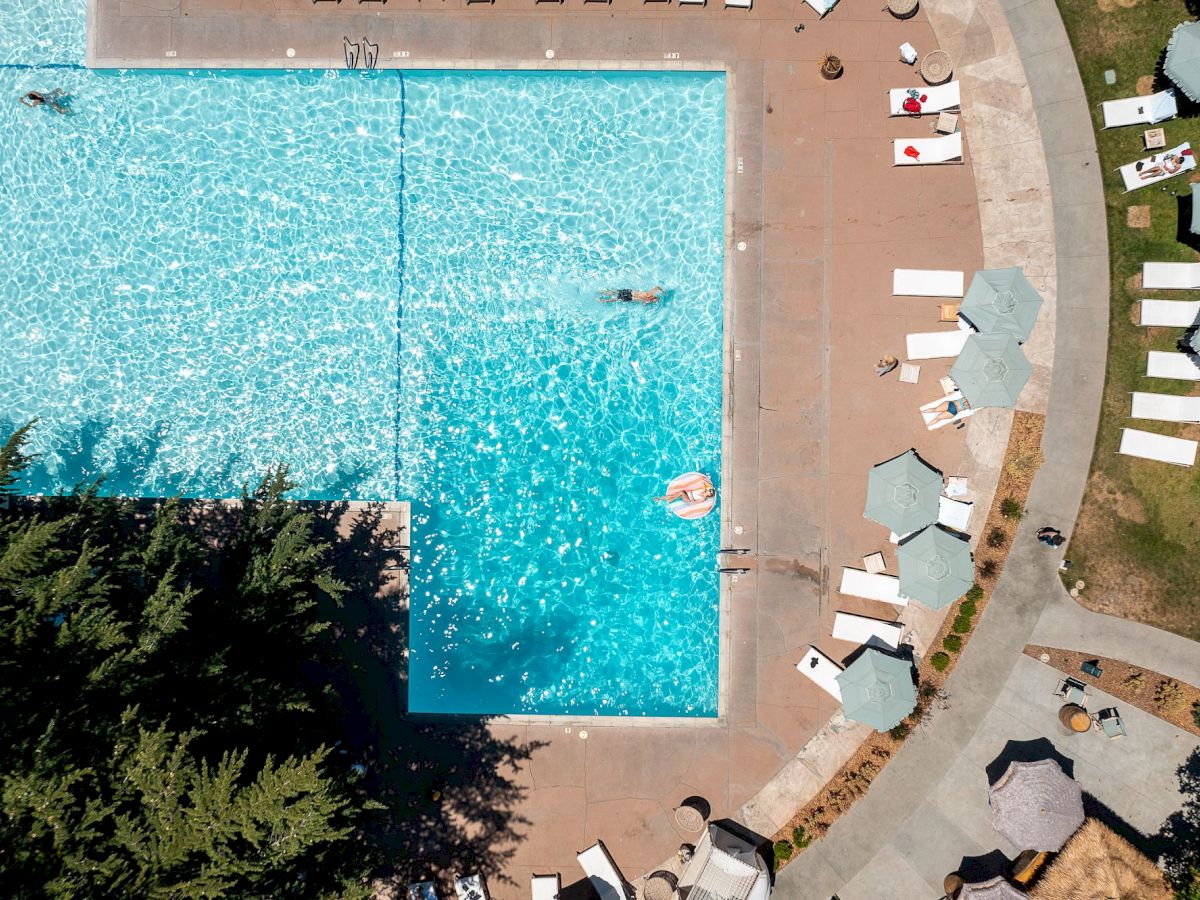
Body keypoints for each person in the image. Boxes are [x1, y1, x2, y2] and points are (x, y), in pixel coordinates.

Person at [598, 286, 663, 304]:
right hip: (630, 293)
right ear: (654, 297)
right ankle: (602, 292)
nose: (655, 302)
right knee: (615, 293)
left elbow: (642, 302)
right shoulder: (649, 294)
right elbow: (657, 287)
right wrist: (664, 292)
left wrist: (644, 303)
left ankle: (603, 300)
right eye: (655, 300)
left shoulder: (648, 300)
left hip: (630, 297)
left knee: (616, 298)